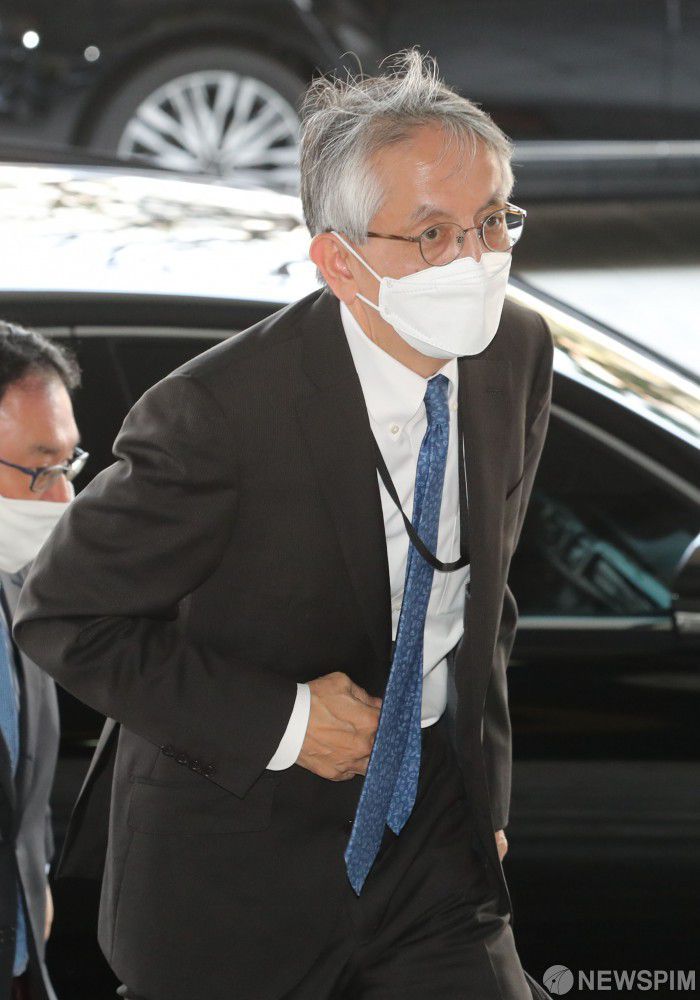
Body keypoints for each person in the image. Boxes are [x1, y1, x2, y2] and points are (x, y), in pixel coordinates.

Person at [14, 51, 554, 1000]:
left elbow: (485, 593)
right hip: (236, 863)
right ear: (341, 262)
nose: (476, 260)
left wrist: (488, 796)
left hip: (435, 845)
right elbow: (62, 616)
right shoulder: (218, 414)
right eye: (433, 234)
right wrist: (288, 722)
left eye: (493, 220)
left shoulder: (515, 349)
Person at [0, 322, 84, 1000]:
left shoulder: (21, 587)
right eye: (41, 468)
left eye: (68, 465)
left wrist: (36, 881)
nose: (64, 499)